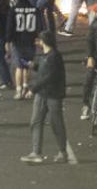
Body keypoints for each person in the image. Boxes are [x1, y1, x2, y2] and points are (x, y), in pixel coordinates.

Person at [20, 32, 70, 164]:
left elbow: (49, 76)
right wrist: (33, 65)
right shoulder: (46, 55)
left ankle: (62, 152)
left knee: (56, 123)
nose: (38, 42)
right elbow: (44, 70)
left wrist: (33, 89)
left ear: (44, 41)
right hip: (42, 94)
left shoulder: (54, 56)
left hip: (53, 95)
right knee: (36, 121)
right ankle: (36, 152)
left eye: (39, 40)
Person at [10, 0, 42, 100]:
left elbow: (10, 27)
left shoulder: (14, 10)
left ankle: (18, 91)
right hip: (30, 42)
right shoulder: (35, 10)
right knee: (28, 66)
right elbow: (40, 25)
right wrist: (39, 38)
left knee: (19, 67)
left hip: (18, 42)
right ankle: (25, 87)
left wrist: (8, 40)